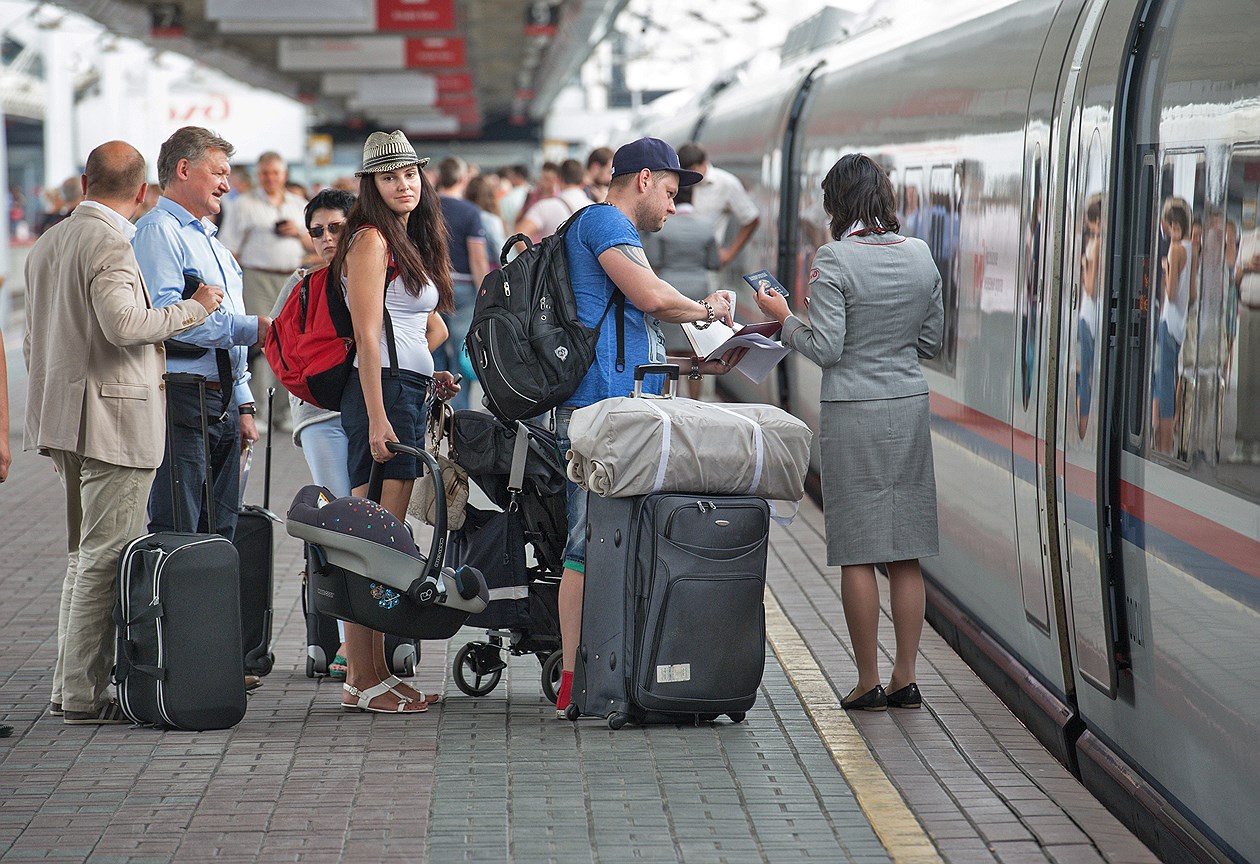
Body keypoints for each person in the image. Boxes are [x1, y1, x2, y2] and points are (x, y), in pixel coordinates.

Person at [23, 141, 223, 724]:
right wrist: (195, 307)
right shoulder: (112, 243)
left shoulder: (49, 242)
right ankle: (86, 696)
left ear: (84, 183)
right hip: (113, 419)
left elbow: (36, 343)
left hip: (64, 418)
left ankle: (70, 688)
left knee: (82, 558)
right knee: (105, 558)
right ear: (144, 193)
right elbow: (124, 326)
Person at [552, 137, 742, 718]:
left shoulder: (611, 228)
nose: (673, 206)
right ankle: (573, 678)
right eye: (668, 191)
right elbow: (651, 298)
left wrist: (698, 362)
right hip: (597, 417)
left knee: (616, 543)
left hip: (618, 413)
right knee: (586, 546)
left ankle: (615, 669)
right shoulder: (605, 223)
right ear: (642, 180)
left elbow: (633, 332)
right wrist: (708, 309)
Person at [752, 153, 943, 712]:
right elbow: (929, 342)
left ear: (838, 204)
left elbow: (826, 349)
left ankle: (867, 680)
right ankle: (906, 675)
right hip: (908, 407)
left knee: (858, 552)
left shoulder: (833, 260)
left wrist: (784, 316)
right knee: (906, 551)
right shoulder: (920, 255)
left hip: (854, 411)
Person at [329, 130, 461, 714]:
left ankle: (375, 671)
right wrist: (380, 415)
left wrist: (429, 373)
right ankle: (362, 676)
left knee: (387, 539)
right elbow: (366, 333)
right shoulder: (370, 240)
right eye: (390, 176)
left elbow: (415, 329)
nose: (404, 184)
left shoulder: (404, 240)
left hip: (406, 391)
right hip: (381, 396)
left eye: (410, 173)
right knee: (371, 540)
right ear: (371, 185)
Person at [132, 126, 269, 541]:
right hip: (182, 397)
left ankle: (209, 607)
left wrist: (243, 404)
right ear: (185, 169)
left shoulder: (210, 240)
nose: (227, 185)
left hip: (220, 399)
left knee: (219, 527)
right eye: (219, 173)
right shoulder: (160, 232)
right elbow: (168, 319)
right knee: (180, 523)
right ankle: (175, 607)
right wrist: (254, 330)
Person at [269, 187, 358, 678]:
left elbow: (431, 329)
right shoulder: (302, 282)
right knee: (342, 521)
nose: (326, 238)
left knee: (376, 522)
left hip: (372, 416)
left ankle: (374, 634)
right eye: (318, 230)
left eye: (336, 228)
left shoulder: (377, 274)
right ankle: (349, 642)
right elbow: (278, 345)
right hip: (321, 419)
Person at [217, 151, 313, 433]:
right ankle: (258, 408)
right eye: (265, 173)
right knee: (260, 343)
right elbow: (229, 247)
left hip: (292, 277)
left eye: (275, 172)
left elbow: (315, 243)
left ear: (284, 175)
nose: (270, 178)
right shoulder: (244, 205)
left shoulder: (299, 204)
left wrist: (297, 232)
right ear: (258, 176)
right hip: (257, 277)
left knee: (291, 344)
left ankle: (285, 411)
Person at [639, 183, 720, 398]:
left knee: (666, 350)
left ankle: (667, 397)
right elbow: (713, 262)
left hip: (668, 288)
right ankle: (694, 401)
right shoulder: (706, 227)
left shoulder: (664, 227)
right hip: (699, 289)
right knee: (696, 351)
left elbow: (653, 260)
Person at [434, 157, 489, 410]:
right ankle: (459, 412)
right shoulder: (470, 212)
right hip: (464, 291)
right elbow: (478, 259)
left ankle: (431, 407)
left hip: (429, 287)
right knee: (461, 354)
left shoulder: (425, 208)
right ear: (463, 179)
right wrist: (484, 295)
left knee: (430, 348)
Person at [677, 143, 760, 269]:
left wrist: (729, 254)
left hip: (707, 261)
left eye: (693, 170)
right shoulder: (679, 181)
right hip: (677, 258)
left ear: (703, 163)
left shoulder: (726, 184)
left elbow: (751, 218)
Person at [1153, 197, 1191, 453]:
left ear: (1172, 223)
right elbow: (1193, 293)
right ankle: (1168, 441)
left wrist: (1166, 268)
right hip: (1182, 326)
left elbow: (1172, 293)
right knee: (1172, 380)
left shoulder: (1175, 249)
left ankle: (1164, 445)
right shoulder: (1191, 249)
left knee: (1164, 383)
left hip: (1169, 323)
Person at [514, 158, 593, 245]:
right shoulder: (595, 208)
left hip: (553, 257)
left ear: (558, 180)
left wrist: (533, 258)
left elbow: (519, 236)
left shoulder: (544, 206)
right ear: (583, 182)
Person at [465, 173, 507, 269]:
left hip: (465, 270)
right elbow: (500, 250)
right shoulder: (491, 220)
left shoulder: (463, 215)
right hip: (489, 270)